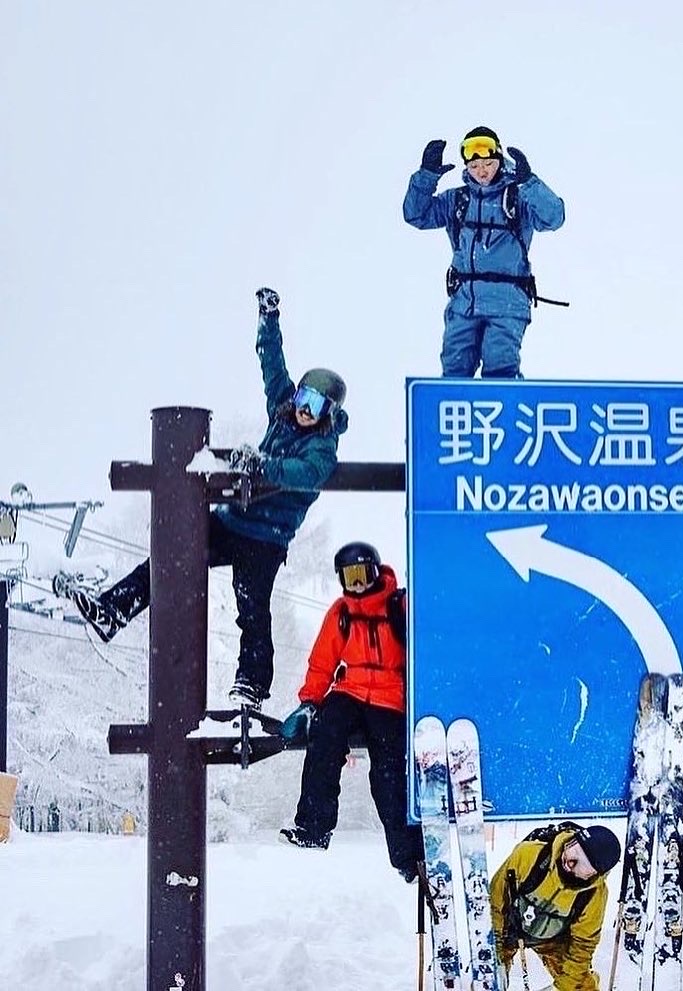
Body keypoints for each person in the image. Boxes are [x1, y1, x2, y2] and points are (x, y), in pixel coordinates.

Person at [57, 287, 348, 710]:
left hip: (266, 537)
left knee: (251, 608)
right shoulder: (283, 413)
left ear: (329, 414)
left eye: (316, 404)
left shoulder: (321, 446)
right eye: (303, 397)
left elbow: (308, 475)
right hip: (231, 521)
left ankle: (251, 684)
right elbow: (272, 367)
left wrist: (264, 467)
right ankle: (112, 610)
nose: (304, 409)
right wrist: (269, 322)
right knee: (169, 558)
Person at [278, 541, 425, 883]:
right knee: (325, 735)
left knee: (388, 777)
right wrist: (310, 701)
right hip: (351, 690)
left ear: (376, 572)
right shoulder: (341, 612)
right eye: (350, 577)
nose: (357, 585)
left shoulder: (398, 606)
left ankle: (408, 856)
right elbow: (322, 660)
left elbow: (424, 651)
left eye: (362, 575)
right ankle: (314, 826)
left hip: (391, 697)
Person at [403, 125, 565, 379]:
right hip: (464, 303)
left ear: (499, 161)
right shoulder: (456, 200)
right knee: (455, 372)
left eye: (488, 164)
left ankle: (504, 415)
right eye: (475, 166)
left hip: (507, 303)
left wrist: (529, 182)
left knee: (500, 370)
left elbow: (554, 218)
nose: (482, 171)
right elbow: (416, 215)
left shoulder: (517, 198)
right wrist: (426, 176)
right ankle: (456, 416)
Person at [490, 821, 621, 991]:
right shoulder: (527, 855)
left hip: (553, 941)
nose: (570, 861)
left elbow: (582, 946)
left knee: (583, 987)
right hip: (509, 930)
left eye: (583, 863)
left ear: (593, 874)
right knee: (487, 980)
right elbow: (494, 907)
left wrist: (561, 988)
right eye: (574, 849)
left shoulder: (594, 895)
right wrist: (497, 959)